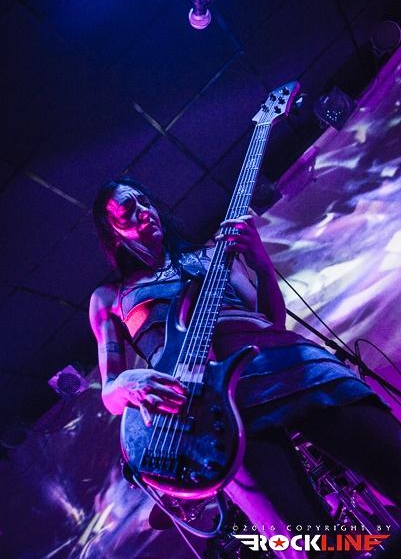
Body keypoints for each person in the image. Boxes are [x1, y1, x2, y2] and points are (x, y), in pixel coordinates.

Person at [89, 176, 401, 558]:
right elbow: (110, 391)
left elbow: (271, 319)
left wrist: (261, 263)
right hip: (211, 411)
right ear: (112, 234)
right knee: (305, 542)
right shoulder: (111, 297)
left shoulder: (212, 256)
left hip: (288, 364)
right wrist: (127, 383)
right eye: (127, 210)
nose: (143, 211)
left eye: (145, 201)